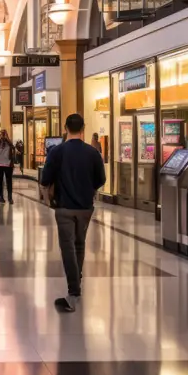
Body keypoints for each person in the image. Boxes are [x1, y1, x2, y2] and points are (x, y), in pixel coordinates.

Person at [41, 113, 106, 313]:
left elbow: (45, 179)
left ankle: (73, 292)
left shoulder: (57, 151)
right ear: (83, 128)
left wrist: (49, 195)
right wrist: (87, 189)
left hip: (64, 207)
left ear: (65, 127)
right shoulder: (92, 153)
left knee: (67, 247)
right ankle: (76, 283)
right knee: (79, 245)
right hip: (85, 208)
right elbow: (101, 179)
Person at [0, 129, 14, 204]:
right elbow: (13, 150)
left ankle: (0, 197)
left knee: (0, 182)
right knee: (9, 181)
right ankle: (10, 198)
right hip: (8, 165)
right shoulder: (9, 143)